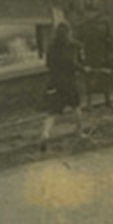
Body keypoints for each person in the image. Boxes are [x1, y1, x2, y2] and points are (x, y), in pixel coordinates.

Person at [40, 23, 86, 152]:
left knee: (52, 112)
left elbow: (48, 64)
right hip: (69, 83)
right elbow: (72, 63)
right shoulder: (71, 46)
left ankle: (45, 134)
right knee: (76, 107)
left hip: (55, 82)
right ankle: (80, 131)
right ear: (68, 33)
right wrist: (82, 69)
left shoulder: (52, 47)